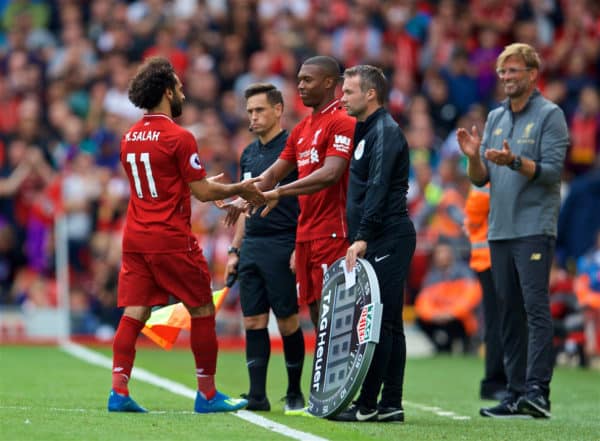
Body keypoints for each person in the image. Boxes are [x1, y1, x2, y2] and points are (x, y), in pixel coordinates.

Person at [108, 56, 265, 413]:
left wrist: (200, 185)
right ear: (166, 91)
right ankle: (207, 395)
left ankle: (118, 390)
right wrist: (242, 187)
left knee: (135, 312)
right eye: (178, 87)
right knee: (201, 307)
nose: (182, 93)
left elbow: (161, 184)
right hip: (169, 237)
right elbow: (203, 194)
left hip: (136, 237)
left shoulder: (129, 137)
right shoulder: (180, 137)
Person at [457, 43, 569, 419]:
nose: (506, 78)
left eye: (514, 71)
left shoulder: (550, 115)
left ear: (533, 74)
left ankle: (538, 393)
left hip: (534, 227)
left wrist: (514, 161)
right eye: (503, 72)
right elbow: (480, 180)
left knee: (535, 308)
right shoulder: (494, 118)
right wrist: (474, 158)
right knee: (508, 312)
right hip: (499, 229)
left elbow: (553, 171)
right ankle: (515, 392)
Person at [335, 64, 416, 423]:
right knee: (391, 323)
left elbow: (379, 188)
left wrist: (363, 235)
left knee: (378, 323)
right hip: (383, 236)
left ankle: (368, 405)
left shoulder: (385, 131)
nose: (342, 97)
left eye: (349, 91)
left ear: (370, 94)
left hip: (387, 236)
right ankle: (392, 403)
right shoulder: (366, 131)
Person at [254, 56, 356, 331]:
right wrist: (240, 194)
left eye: (307, 80)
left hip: (333, 230)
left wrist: (280, 192)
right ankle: (324, 373)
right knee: (314, 312)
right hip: (306, 233)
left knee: (334, 312)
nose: (299, 86)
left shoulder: (343, 121)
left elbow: (331, 172)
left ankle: (340, 373)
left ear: (329, 83)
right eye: (299, 79)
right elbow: (272, 174)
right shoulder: (301, 128)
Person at [224, 83, 305, 413]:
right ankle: (257, 395)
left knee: (287, 322)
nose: (253, 117)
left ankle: (295, 393)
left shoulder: (294, 148)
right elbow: (245, 206)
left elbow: (310, 199)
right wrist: (234, 250)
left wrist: (300, 245)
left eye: (259, 110)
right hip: (253, 245)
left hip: (284, 242)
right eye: (250, 111)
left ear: (278, 110)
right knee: (253, 322)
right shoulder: (248, 153)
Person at [464, 183, 507, 400]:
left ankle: (501, 379)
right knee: (498, 321)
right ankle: (495, 380)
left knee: (499, 320)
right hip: (490, 257)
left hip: (492, 256)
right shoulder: (491, 171)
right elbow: (473, 211)